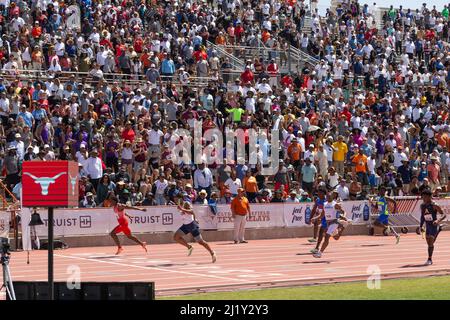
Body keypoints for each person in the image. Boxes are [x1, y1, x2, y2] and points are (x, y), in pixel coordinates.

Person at [311, 192, 350, 258]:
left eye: (329, 196)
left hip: (334, 222)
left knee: (326, 237)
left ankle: (319, 253)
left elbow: (343, 211)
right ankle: (343, 226)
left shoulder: (335, 204)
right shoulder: (325, 204)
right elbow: (322, 215)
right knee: (336, 238)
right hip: (328, 223)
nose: (328, 198)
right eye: (327, 197)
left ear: (332, 197)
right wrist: (315, 218)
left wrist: (344, 216)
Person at [420, 188, 447, 265]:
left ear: (429, 197)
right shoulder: (422, 206)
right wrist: (421, 226)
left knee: (431, 243)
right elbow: (422, 216)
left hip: (433, 225)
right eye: (422, 197)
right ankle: (439, 230)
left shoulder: (434, 205)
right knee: (429, 242)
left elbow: (444, 215)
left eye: (425, 197)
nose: (423, 198)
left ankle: (429, 259)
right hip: (427, 226)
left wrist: (438, 221)